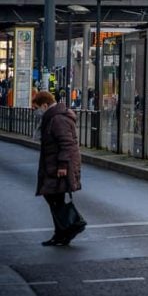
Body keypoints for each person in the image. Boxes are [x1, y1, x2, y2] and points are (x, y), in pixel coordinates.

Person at [32, 90, 85, 246]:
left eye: (37, 108)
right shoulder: (53, 117)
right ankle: (62, 233)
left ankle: (71, 226)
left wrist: (62, 165)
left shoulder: (57, 119)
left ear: (45, 105)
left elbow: (66, 143)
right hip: (54, 165)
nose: (36, 112)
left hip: (60, 166)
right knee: (55, 199)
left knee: (55, 199)